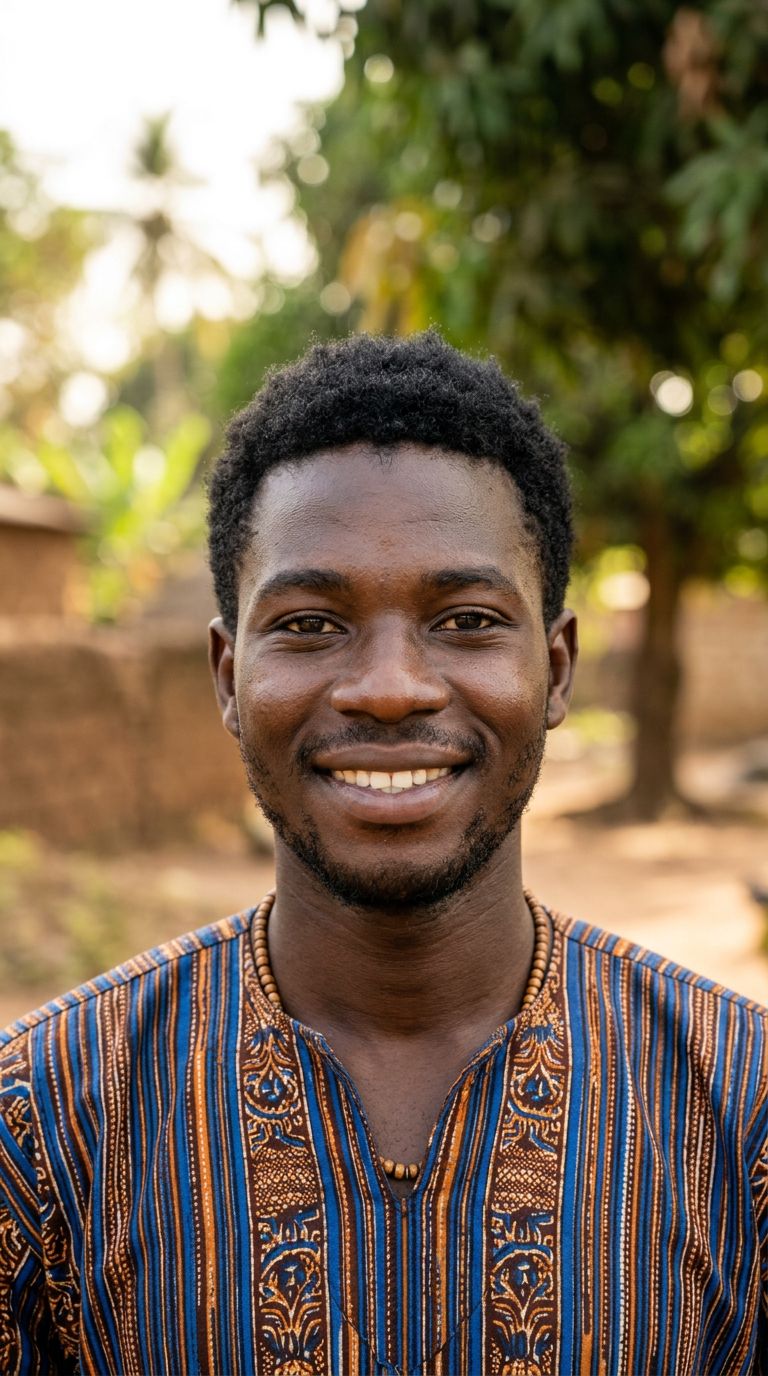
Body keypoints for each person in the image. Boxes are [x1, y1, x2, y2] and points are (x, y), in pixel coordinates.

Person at [0, 330, 765, 1376]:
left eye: (465, 619)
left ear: (555, 666)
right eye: (312, 623)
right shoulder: (46, 1130)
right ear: (228, 676)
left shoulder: (743, 1110)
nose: (392, 685)